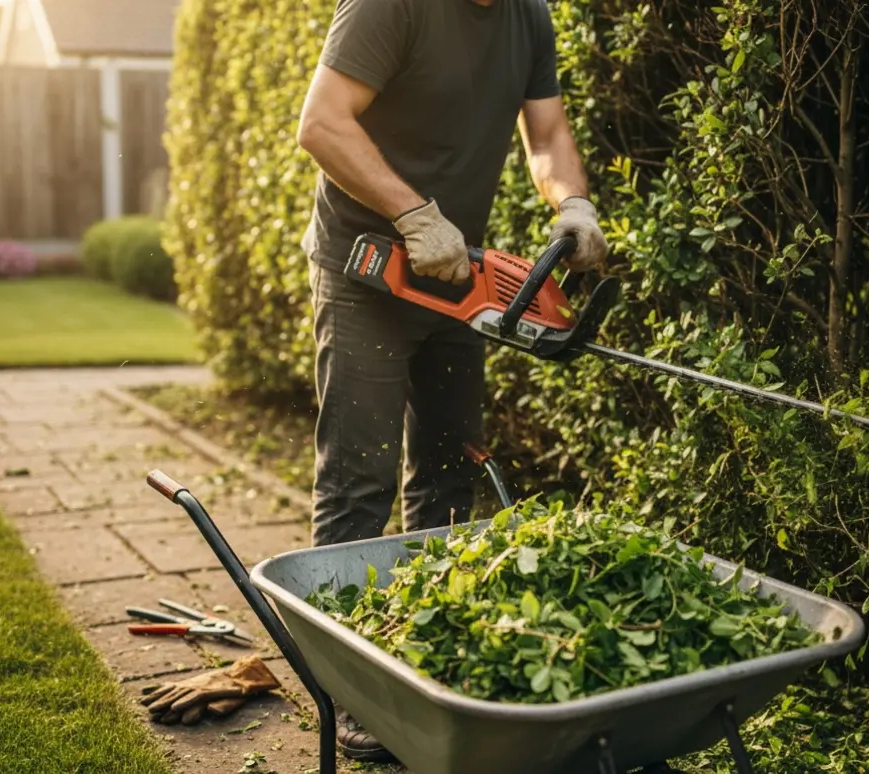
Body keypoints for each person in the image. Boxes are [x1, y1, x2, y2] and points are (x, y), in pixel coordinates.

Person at [294, 0, 608, 762]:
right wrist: (410, 213)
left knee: (443, 478)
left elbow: (549, 133)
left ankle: (418, 670)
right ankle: (350, 697)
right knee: (358, 486)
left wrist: (569, 199)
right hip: (369, 266)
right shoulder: (389, 7)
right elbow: (323, 123)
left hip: (457, 275)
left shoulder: (528, 18)